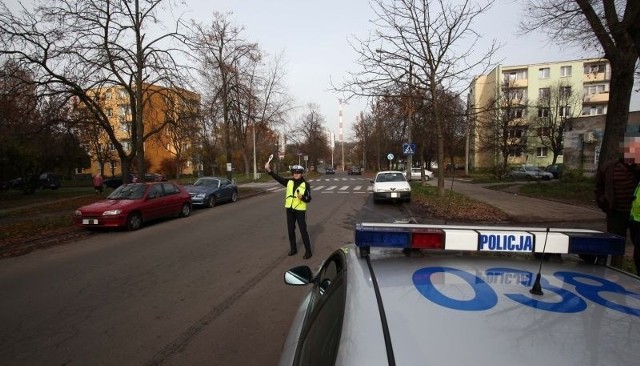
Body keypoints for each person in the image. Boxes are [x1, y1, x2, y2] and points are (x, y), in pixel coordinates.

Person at [595, 134, 640, 267]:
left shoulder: (638, 168)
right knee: (615, 243)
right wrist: (604, 202)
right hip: (616, 212)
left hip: (635, 216)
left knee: (638, 246)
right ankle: (614, 268)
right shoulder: (610, 167)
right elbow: (598, 187)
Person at [264, 162, 313, 259]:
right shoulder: (289, 182)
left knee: (303, 231)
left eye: (298, 173)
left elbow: (309, 199)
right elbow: (278, 179)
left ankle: (308, 251)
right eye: (294, 172)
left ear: (301, 173)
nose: (296, 174)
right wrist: (269, 171)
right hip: (289, 210)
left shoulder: (306, 184)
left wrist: (302, 197)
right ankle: (293, 249)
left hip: (300, 210)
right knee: (291, 230)